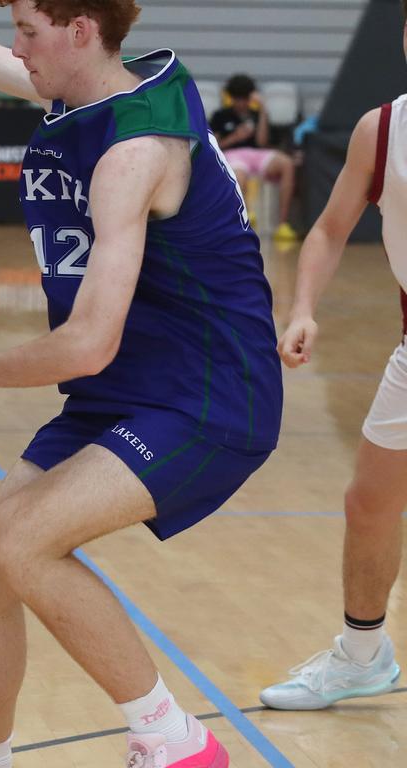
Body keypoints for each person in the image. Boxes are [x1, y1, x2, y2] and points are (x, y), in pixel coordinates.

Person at [0, 2, 283, 766]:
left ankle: (176, 743)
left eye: (29, 30)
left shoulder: (135, 153)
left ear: (79, 31)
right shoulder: (77, 90)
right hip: (127, 391)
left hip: (208, 395)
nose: (14, 45)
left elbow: (88, 343)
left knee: (22, 539)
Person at [259, 4, 407, 712]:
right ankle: (362, 655)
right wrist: (303, 309)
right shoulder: (382, 130)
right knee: (369, 502)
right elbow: (326, 230)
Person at [210, 74, 299, 242]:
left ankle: (282, 224)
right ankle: (245, 217)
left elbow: (262, 142)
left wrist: (263, 110)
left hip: (256, 155)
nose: (241, 103)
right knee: (239, 175)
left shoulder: (256, 114)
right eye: (237, 98)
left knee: (287, 164)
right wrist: (235, 137)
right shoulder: (220, 115)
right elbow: (213, 146)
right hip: (233, 155)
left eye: (244, 98)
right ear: (231, 97)